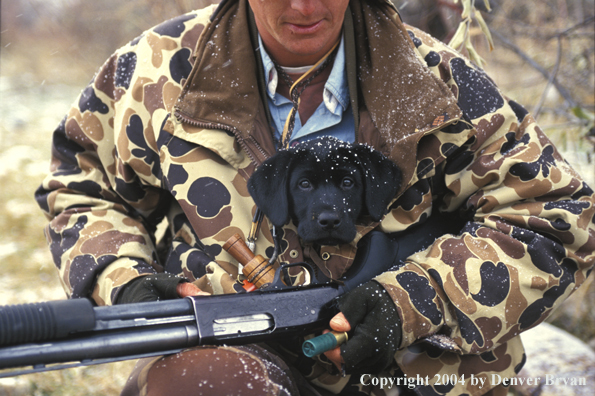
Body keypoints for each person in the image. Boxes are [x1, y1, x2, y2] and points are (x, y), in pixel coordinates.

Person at [35, 0, 595, 395]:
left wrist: (413, 302)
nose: (304, 5)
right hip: (235, 354)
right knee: (207, 386)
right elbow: (82, 188)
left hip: (419, 370)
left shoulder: (437, 81)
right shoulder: (152, 72)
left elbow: (557, 216)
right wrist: (124, 280)